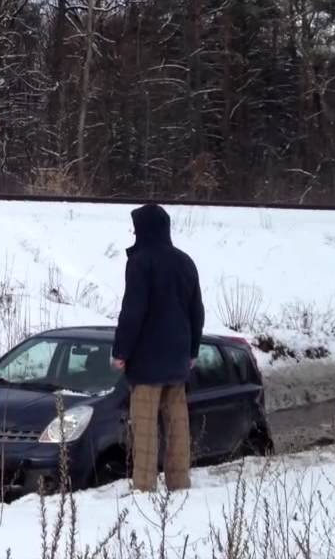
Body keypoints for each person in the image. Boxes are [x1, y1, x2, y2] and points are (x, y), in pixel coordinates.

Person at [111, 203, 205, 493]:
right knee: (178, 426)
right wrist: (192, 351)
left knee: (145, 428)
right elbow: (196, 312)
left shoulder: (140, 262)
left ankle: (144, 488)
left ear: (143, 229)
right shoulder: (185, 261)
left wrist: (121, 352)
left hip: (147, 363)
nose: (133, 232)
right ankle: (179, 483)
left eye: (135, 228)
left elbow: (133, 311)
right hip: (177, 360)